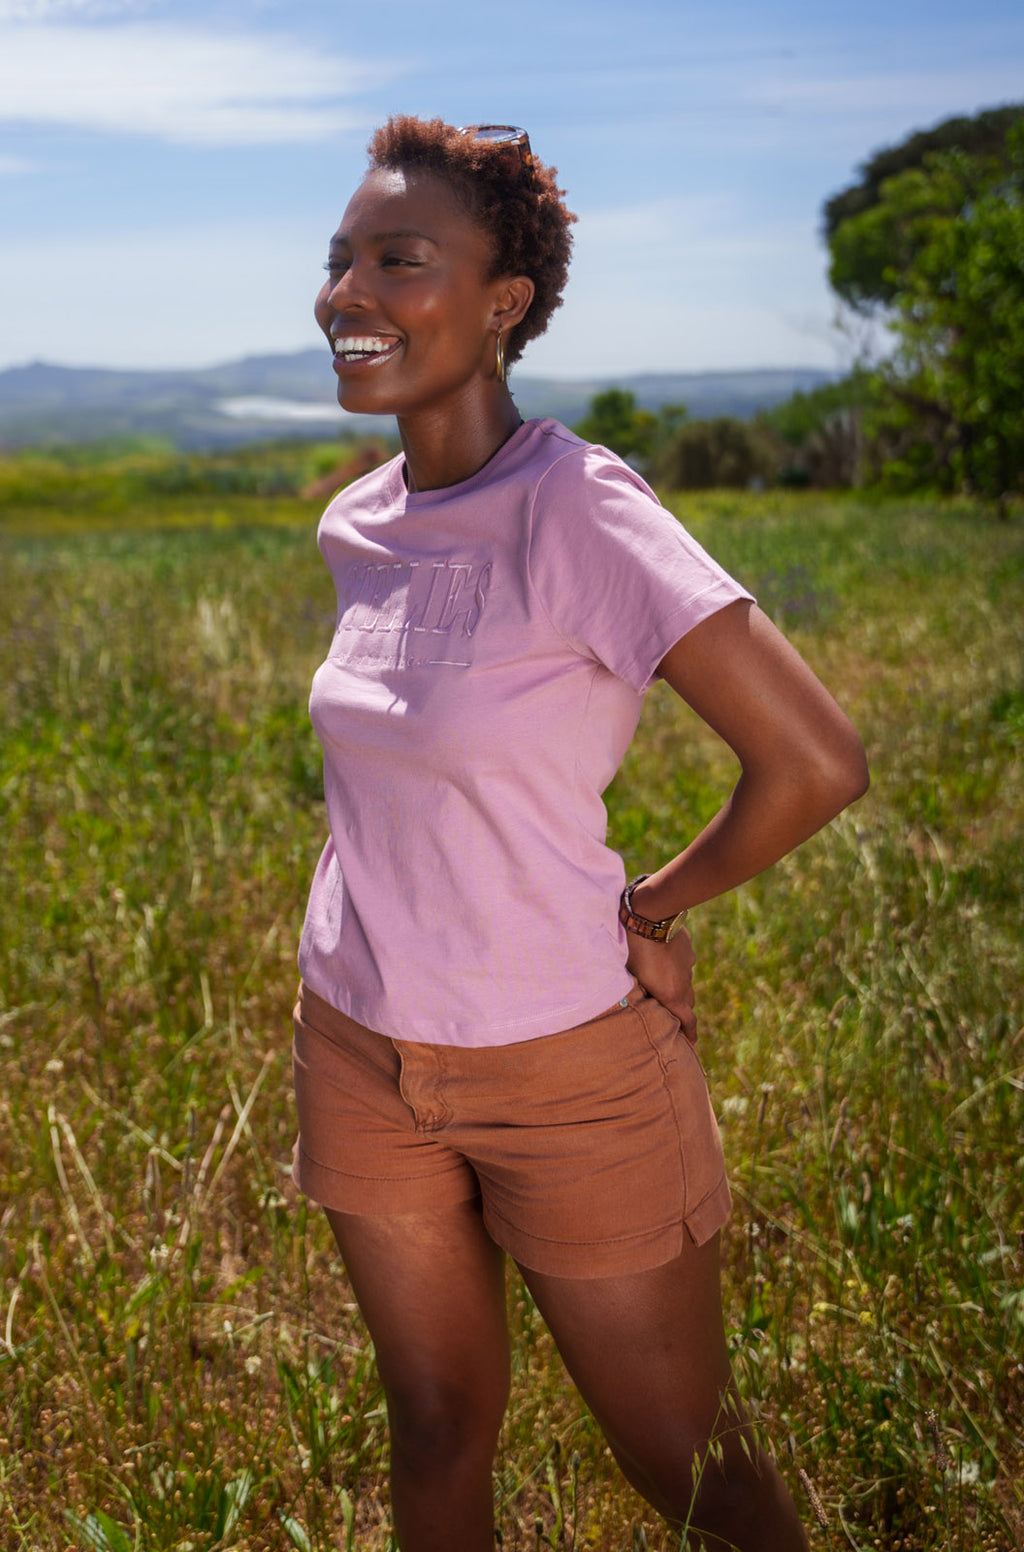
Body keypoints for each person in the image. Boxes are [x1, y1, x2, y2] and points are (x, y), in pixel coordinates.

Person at [291, 115, 868, 1552]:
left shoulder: (580, 507)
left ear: (505, 305)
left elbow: (812, 761)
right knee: (430, 1424)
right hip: (361, 1044)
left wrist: (654, 909)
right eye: (340, 259)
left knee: (689, 1472)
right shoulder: (361, 521)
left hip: (563, 1064)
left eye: (399, 260)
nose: (348, 293)